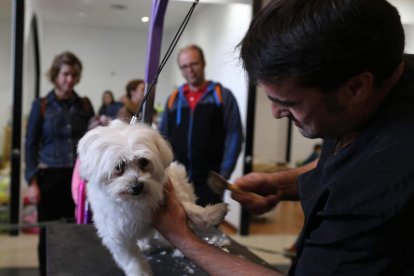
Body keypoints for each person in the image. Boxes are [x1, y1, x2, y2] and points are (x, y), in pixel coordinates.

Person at [153, 0, 414, 275]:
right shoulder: (394, 69)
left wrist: (182, 238)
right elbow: (351, 156)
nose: (276, 113)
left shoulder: (380, 186)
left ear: (356, 87)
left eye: (288, 102)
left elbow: (361, 174)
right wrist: (282, 182)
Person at [25, 51, 94, 276]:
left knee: (78, 230)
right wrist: (32, 181)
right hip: (49, 178)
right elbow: (31, 145)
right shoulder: (42, 105)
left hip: (79, 179)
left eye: (74, 75)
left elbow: (92, 142)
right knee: (48, 233)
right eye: (65, 74)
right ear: (56, 75)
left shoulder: (84, 105)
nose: (70, 80)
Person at [159, 44, 243, 206]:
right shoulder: (174, 99)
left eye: (194, 64)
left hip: (210, 180)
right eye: (184, 66)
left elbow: (234, 135)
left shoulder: (222, 96)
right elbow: (163, 137)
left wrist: (223, 174)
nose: (189, 70)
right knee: (179, 226)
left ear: (203, 63)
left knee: (208, 227)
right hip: (178, 178)